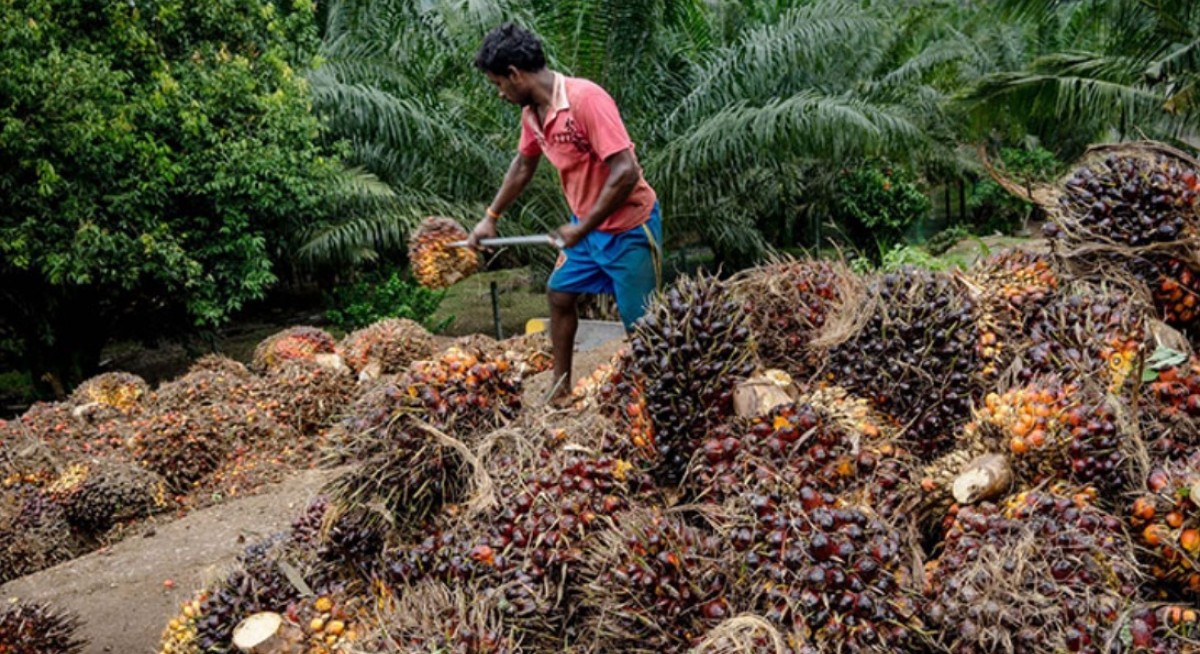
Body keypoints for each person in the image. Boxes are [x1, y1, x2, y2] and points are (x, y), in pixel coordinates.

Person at [468, 23, 661, 405]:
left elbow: (626, 172)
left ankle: (658, 401)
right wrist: (491, 217)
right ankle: (561, 387)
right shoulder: (532, 114)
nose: (500, 93)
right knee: (559, 293)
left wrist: (583, 227)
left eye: (498, 84)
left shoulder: (586, 100)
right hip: (585, 230)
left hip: (628, 228)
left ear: (514, 74)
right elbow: (523, 165)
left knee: (641, 323)